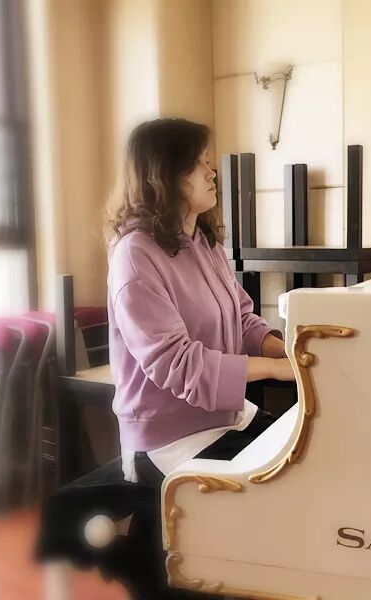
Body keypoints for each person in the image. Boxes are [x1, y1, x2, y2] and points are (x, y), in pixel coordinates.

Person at [105, 118, 295, 484]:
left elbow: (241, 319)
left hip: (225, 416)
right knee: (285, 488)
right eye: (198, 163)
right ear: (164, 175)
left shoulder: (204, 242)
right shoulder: (135, 254)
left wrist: (287, 350)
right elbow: (176, 363)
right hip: (169, 437)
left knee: (307, 460)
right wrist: (275, 369)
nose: (212, 173)